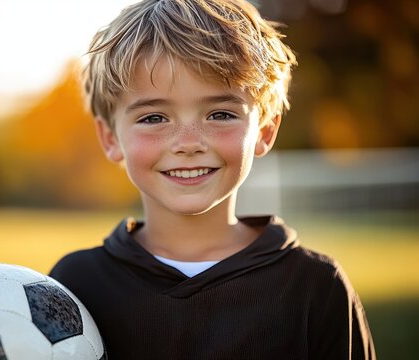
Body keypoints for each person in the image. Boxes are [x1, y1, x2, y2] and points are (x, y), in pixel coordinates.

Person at [49, 0, 376, 358]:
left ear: (265, 130)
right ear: (111, 138)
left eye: (220, 114)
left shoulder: (315, 287)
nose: (188, 143)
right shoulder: (75, 283)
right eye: (154, 118)